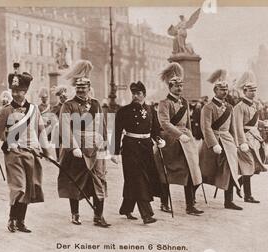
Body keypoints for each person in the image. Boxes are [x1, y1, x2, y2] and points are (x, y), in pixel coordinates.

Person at [0, 63, 53, 233]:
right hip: (14, 154)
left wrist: (46, 151)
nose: (16, 94)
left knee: (29, 188)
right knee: (19, 187)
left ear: (26, 92)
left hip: (32, 153)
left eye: (19, 91)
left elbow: (40, 131)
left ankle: (21, 221)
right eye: (13, 91)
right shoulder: (5, 110)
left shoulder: (34, 109)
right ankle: (12, 219)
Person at [57, 77, 110, 227]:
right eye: (78, 87)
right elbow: (64, 127)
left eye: (83, 87)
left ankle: (98, 216)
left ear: (89, 87)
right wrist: (73, 147)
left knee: (99, 179)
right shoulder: (68, 105)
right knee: (75, 180)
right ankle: (75, 214)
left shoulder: (96, 104)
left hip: (96, 146)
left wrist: (106, 146)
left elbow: (102, 126)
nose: (80, 90)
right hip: (77, 148)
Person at [112, 81, 164, 224]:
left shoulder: (151, 110)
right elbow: (116, 132)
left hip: (146, 149)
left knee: (135, 180)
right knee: (139, 179)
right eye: (133, 93)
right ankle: (146, 214)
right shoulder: (124, 111)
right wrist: (114, 152)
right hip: (130, 148)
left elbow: (155, 129)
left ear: (144, 95)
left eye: (138, 93)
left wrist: (159, 140)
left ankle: (126, 208)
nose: (135, 96)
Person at [156, 62, 203, 216]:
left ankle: (190, 205)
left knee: (191, 171)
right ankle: (164, 202)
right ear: (170, 87)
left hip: (185, 140)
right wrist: (179, 135)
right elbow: (164, 123)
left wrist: (189, 135)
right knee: (166, 173)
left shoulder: (185, 102)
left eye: (181, 86)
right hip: (170, 141)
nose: (179, 89)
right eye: (176, 87)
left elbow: (188, 124)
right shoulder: (164, 103)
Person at [199, 69, 242, 210]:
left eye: (226, 89)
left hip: (227, 142)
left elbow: (232, 128)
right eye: (221, 89)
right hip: (212, 144)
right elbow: (206, 127)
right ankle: (191, 196)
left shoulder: (229, 107)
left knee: (229, 169)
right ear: (215, 90)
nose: (224, 92)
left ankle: (228, 201)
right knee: (204, 172)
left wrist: (235, 143)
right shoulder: (208, 107)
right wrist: (213, 143)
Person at [233, 71, 268, 204]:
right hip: (246, 140)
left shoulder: (254, 105)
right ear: (244, 91)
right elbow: (237, 126)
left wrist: (263, 123)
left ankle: (237, 182)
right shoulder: (239, 107)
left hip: (256, 139)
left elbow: (254, 123)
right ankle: (248, 195)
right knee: (249, 165)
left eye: (255, 90)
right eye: (250, 91)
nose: (253, 93)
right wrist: (241, 142)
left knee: (256, 165)